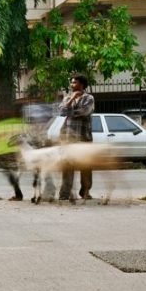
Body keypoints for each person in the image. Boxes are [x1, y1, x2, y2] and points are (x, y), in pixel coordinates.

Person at [58, 73, 95, 201]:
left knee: (85, 166)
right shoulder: (68, 97)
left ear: (82, 84)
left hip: (84, 137)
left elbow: (85, 111)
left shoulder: (88, 98)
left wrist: (70, 112)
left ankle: (85, 192)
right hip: (68, 138)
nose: (72, 84)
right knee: (67, 165)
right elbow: (61, 111)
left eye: (74, 82)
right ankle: (64, 193)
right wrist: (72, 99)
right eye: (72, 82)